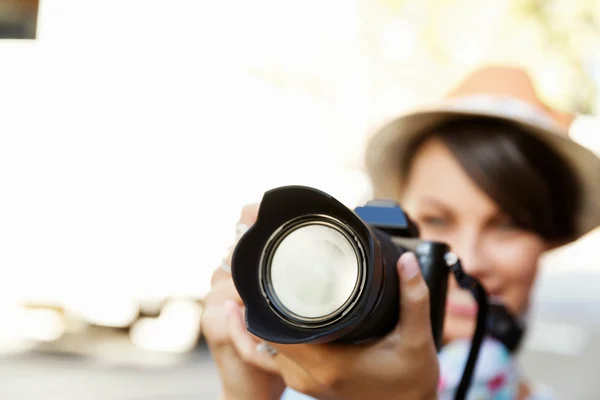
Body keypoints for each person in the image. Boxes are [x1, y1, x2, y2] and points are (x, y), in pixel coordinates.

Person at [202, 66, 600, 400]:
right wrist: (250, 391)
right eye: (438, 220)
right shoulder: (305, 376)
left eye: (509, 225)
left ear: (549, 239)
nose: (470, 259)